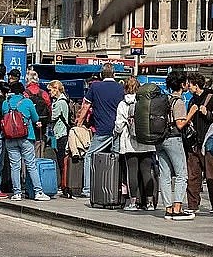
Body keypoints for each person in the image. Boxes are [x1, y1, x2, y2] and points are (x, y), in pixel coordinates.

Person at [78, 63, 125, 198]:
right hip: (117, 129)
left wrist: (79, 123)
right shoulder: (120, 88)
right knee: (116, 158)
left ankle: (87, 189)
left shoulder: (95, 87)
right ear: (114, 75)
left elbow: (86, 106)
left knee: (90, 156)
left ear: (100, 75)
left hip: (102, 129)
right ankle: (116, 187)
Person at [1, 82, 50, 202]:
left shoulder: (5, 103)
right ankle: (38, 191)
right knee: (31, 165)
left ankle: (17, 193)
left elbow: (4, 116)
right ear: (23, 91)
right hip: (26, 137)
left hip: (10, 138)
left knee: (15, 166)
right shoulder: (27, 102)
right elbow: (35, 118)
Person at [185, 73, 213, 214]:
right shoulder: (191, 101)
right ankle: (192, 205)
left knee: (211, 175)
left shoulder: (211, 99)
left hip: (208, 144)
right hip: (193, 143)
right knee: (193, 175)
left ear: (196, 85)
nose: (188, 86)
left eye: (190, 84)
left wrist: (207, 113)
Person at [116, 77, 157, 210]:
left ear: (125, 88)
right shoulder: (145, 102)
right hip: (147, 143)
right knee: (146, 172)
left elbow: (119, 125)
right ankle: (150, 202)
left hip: (130, 143)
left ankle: (133, 202)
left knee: (132, 172)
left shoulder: (123, 104)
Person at [158, 71, 193, 220]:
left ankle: (168, 208)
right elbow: (179, 124)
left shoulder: (165, 99)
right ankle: (177, 208)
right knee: (181, 174)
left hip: (160, 139)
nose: (187, 84)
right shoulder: (178, 101)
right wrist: (191, 113)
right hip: (173, 139)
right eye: (185, 82)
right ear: (181, 84)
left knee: (165, 175)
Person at [48, 80, 71, 192]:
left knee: (61, 160)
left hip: (60, 134)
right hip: (62, 133)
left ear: (56, 89)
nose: (49, 92)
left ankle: (63, 184)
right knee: (62, 160)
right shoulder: (63, 100)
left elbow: (52, 117)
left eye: (50, 90)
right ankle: (63, 183)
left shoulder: (59, 103)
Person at [24, 69, 52, 150]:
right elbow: (49, 106)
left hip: (29, 124)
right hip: (42, 123)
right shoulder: (43, 93)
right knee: (40, 144)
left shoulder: (25, 93)